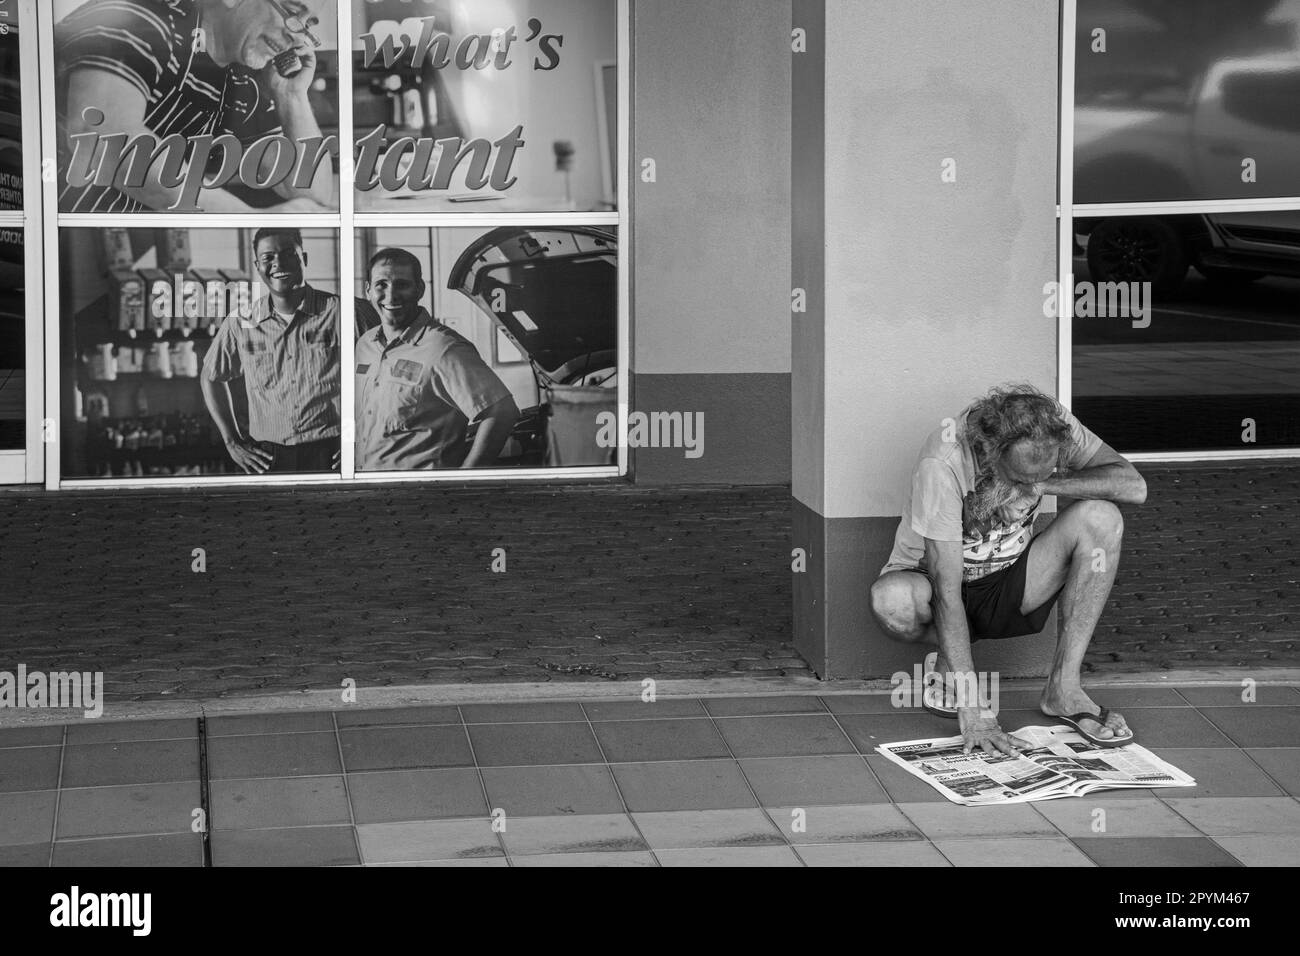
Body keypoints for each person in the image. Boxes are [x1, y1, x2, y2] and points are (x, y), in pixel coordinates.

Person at [869, 384, 1148, 755]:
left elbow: (1134, 485)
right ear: (988, 451)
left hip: (1011, 585)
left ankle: (1063, 689)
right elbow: (946, 591)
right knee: (891, 600)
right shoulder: (944, 462)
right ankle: (953, 665)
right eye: (1017, 478)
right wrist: (976, 714)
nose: (1029, 488)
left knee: (1102, 518)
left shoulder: (1054, 426)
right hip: (936, 589)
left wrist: (1044, 483)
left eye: (1041, 474)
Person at [56, 0, 333, 213]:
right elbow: (98, 139)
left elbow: (311, 192)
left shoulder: (242, 82)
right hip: (46, 242)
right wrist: (245, 216)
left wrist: (292, 96)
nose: (298, 38)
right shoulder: (139, 15)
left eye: (307, 25)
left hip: (107, 255)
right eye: (292, 12)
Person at [355, 248, 519, 470]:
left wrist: (466, 477)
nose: (391, 295)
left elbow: (502, 411)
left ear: (419, 289)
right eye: (381, 285)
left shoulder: (445, 348)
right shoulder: (365, 345)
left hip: (420, 494)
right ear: (368, 291)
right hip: (369, 484)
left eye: (402, 284)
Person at [201, 228, 340, 473]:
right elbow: (211, 377)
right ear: (258, 265)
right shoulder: (240, 322)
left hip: (333, 451)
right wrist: (232, 442)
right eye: (268, 258)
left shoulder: (341, 312)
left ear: (304, 259)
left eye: (288, 254)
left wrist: (361, 437)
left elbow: (380, 376)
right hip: (268, 457)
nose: (278, 264)